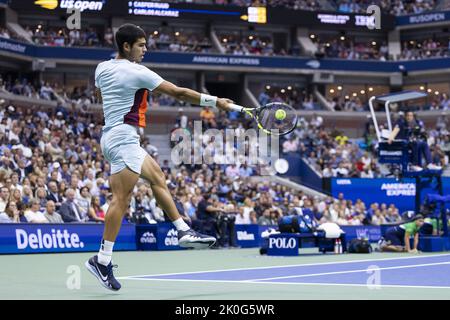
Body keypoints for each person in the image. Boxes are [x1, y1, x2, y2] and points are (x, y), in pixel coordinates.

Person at [85, 24, 236, 291]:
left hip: (113, 135)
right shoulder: (137, 72)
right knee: (122, 199)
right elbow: (178, 92)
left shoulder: (102, 68)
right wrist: (216, 101)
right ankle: (103, 259)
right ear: (126, 46)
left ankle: (181, 229)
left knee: (157, 177)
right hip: (123, 136)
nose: (145, 50)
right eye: (141, 45)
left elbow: (101, 95)